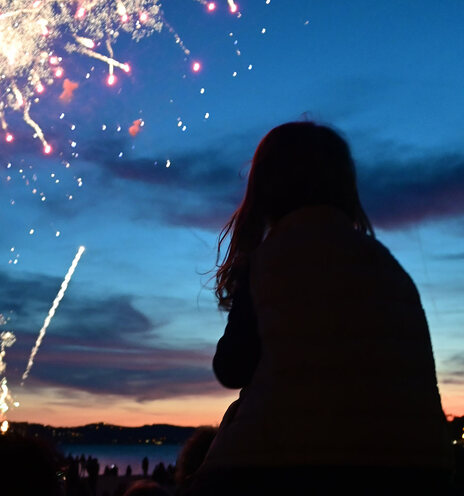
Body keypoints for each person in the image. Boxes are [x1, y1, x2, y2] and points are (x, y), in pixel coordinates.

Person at [190, 121, 453, 495]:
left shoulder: (269, 262)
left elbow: (231, 367)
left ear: (264, 191)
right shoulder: (388, 266)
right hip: (423, 469)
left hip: (288, 466)